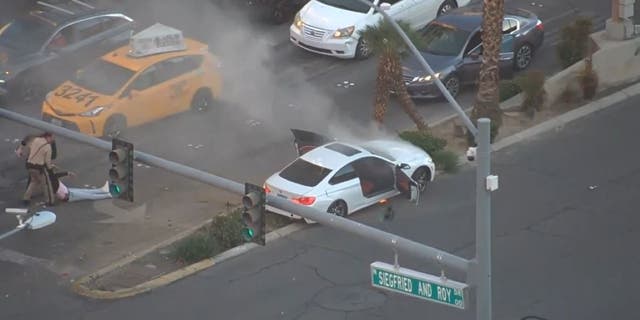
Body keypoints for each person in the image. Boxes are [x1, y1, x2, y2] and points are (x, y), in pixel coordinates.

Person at [22, 132, 56, 206]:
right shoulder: (48, 147)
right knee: (46, 184)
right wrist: (50, 168)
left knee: (34, 181)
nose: (53, 139)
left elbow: (28, 147)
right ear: (48, 137)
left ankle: (26, 198)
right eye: (52, 138)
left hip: (29, 165)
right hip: (39, 167)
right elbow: (47, 161)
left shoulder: (36, 139)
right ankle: (50, 201)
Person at [47, 167, 112, 202]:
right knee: (89, 196)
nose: (55, 170)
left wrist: (67, 173)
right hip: (69, 195)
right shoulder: (53, 181)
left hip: (68, 191)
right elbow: (56, 176)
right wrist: (67, 173)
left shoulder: (51, 179)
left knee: (86, 191)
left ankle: (103, 190)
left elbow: (57, 175)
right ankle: (107, 195)